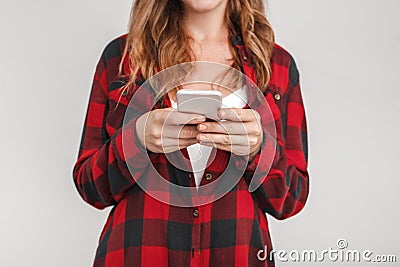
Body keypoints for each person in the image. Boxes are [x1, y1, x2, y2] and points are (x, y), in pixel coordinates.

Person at [73, 0, 309, 266]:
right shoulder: (121, 57)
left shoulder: (277, 65)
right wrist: (136, 139)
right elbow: (89, 186)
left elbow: (291, 199)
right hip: (139, 255)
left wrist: (258, 150)